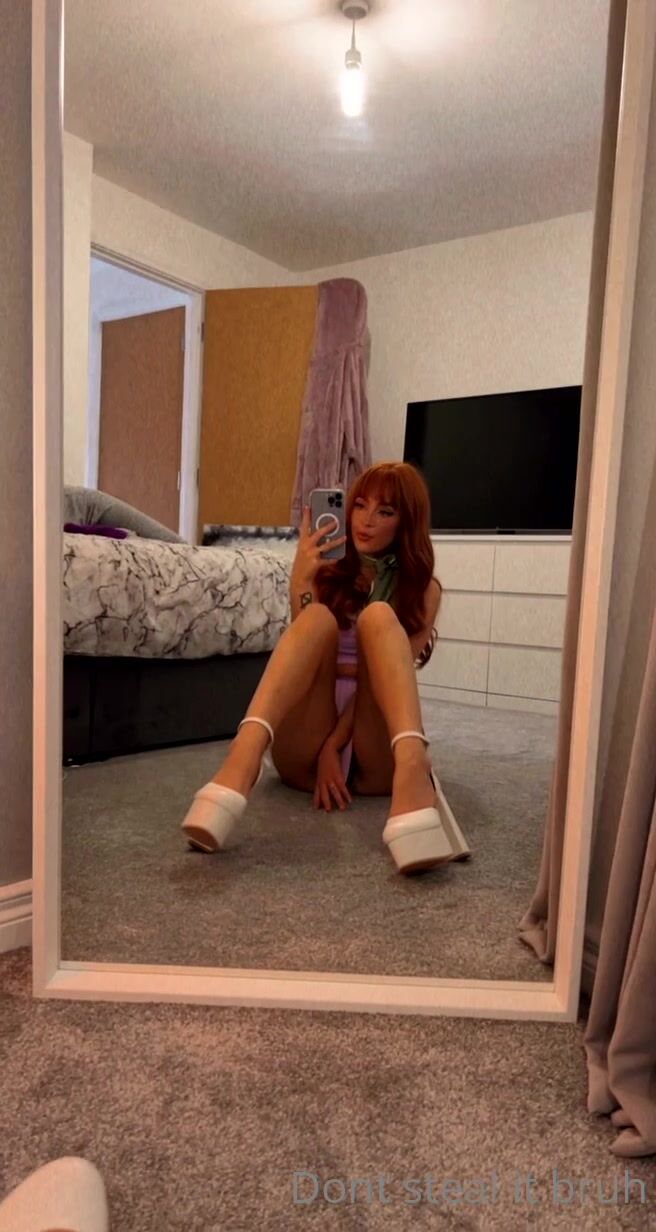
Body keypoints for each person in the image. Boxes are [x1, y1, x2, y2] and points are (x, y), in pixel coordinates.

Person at [181, 462, 471, 873]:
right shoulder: (326, 573)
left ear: (406, 523)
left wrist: (335, 745)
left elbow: (390, 682)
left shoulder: (423, 591)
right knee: (317, 618)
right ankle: (243, 756)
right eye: (360, 506)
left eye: (385, 511)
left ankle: (412, 766)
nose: (366, 521)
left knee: (378, 617)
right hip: (306, 742)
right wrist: (302, 583)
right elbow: (305, 663)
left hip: (375, 744)